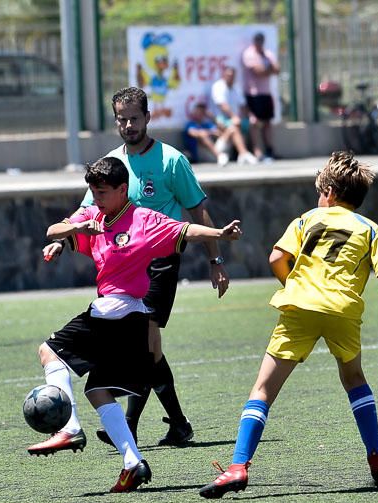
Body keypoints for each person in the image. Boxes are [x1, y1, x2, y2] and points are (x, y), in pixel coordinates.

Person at [199, 151, 378, 499]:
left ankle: (238, 467)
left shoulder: (307, 219)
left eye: (321, 191)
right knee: (354, 380)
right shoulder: (370, 229)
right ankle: (377, 460)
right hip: (343, 310)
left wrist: (295, 286)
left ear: (330, 192)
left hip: (299, 307)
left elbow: (276, 257)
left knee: (262, 390)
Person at [36, 86, 232, 455]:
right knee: (150, 349)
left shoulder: (172, 161)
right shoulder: (111, 163)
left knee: (147, 344)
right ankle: (176, 422)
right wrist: (60, 242)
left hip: (160, 262)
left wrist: (215, 259)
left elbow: (196, 212)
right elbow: (82, 216)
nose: (128, 125)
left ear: (148, 117)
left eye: (134, 118)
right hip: (122, 264)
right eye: (121, 119)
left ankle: (129, 425)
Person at [241, 32, 280, 162]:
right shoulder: (249, 54)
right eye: (257, 41)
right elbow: (258, 72)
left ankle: (270, 150)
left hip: (266, 93)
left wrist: (267, 68)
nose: (259, 43)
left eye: (261, 41)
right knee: (255, 122)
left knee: (267, 122)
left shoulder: (267, 53)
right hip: (253, 94)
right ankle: (257, 151)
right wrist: (268, 69)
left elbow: (277, 69)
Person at [210, 65, 258, 166]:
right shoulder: (218, 86)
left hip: (235, 118)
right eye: (228, 75)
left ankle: (257, 151)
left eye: (232, 75)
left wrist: (250, 116)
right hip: (221, 119)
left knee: (252, 123)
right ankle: (243, 153)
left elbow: (243, 105)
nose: (230, 77)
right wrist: (234, 117)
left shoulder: (236, 87)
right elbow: (222, 106)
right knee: (234, 127)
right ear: (223, 75)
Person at [182, 101, 226, 165]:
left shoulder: (207, 124)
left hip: (211, 150)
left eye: (201, 112)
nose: (198, 114)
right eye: (197, 112)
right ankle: (219, 155)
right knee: (202, 135)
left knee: (231, 130)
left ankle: (221, 155)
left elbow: (219, 133)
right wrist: (209, 132)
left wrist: (212, 118)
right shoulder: (190, 124)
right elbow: (193, 133)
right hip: (199, 154)